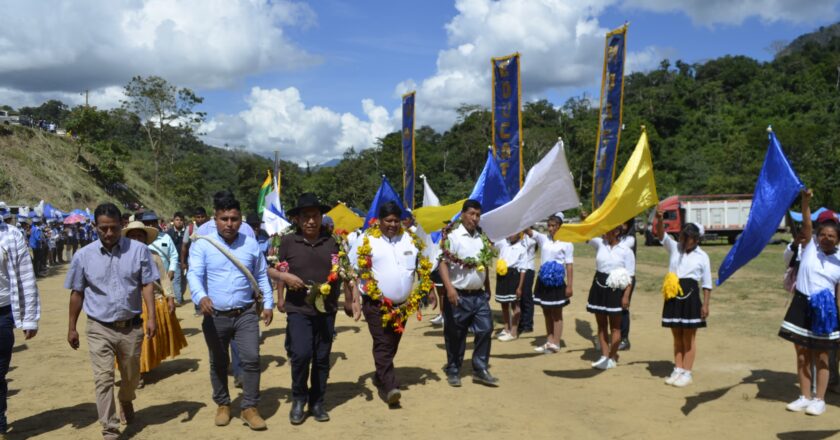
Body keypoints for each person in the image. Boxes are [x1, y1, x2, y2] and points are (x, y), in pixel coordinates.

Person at [65, 203, 158, 440]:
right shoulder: (83, 256)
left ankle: (126, 399)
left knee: (131, 377)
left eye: (114, 228)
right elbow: (77, 293)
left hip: (131, 326)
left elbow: (147, 284)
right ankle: (110, 429)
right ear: (95, 226)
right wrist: (71, 327)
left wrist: (152, 317)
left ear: (122, 226)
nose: (108, 234)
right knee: (103, 378)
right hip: (99, 327)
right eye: (103, 228)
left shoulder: (138, 251)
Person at [187, 191, 273, 431]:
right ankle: (223, 404)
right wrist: (200, 296)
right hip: (214, 315)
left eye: (234, 219)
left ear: (240, 220)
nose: (229, 224)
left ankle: (249, 407)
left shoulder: (251, 244)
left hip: (245, 313)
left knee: (252, 359)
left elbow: (261, 275)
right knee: (218, 361)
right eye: (224, 219)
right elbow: (194, 274)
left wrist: (268, 304)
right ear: (215, 219)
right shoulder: (203, 245)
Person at [268, 193, 352, 425]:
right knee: (301, 355)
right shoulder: (286, 241)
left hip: (327, 309)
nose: (311, 221)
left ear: (321, 216)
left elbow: (346, 270)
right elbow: (270, 269)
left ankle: (317, 401)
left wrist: (351, 299)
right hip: (298, 309)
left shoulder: (334, 241)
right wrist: (285, 277)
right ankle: (298, 398)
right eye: (306, 217)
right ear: (297, 219)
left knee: (322, 357)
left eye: (315, 216)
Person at [350, 201, 435, 406]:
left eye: (396, 220)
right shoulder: (367, 239)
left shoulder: (411, 240)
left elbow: (421, 267)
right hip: (375, 303)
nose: (392, 224)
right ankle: (389, 387)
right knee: (383, 343)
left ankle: (381, 375)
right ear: (379, 221)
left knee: (393, 342)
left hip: (403, 306)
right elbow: (353, 270)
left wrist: (429, 290)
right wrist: (354, 299)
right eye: (388, 220)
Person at [778, 190, 840, 416]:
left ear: (838, 238)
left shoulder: (839, 261)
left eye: (831, 236)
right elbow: (806, 221)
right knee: (802, 353)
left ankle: (819, 399)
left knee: (822, 356)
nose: (826, 238)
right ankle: (804, 396)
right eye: (823, 234)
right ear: (817, 235)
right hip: (802, 304)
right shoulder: (810, 247)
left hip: (826, 310)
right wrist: (805, 201)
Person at [439, 199, 498, 387]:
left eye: (478, 215)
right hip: (459, 295)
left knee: (486, 329)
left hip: (479, 295)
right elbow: (443, 263)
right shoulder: (453, 237)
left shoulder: (482, 238)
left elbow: (484, 263)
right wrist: (449, 288)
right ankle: (454, 369)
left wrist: (487, 285)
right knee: (456, 334)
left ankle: (480, 369)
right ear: (463, 214)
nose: (475, 218)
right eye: (471, 214)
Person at [122, 221, 188, 388]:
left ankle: (143, 369)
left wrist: (170, 297)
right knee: (132, 340)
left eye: (139, 235)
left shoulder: (154, 256)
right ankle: (137, 371)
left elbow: (164, 278)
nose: (136, 239)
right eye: (133, 236)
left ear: (145, 238)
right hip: (131, 303)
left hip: (154, 300)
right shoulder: (120, 256)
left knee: (147, 339)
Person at [653, 208, 712, 387]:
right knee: (677, 335)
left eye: (688, 238)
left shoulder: (703, 256)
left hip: (691, 296)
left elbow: (707, 283)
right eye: (682, 237)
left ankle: (687, 372)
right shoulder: (674, 248)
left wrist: (706, 305)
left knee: (689, 337)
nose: (684, 241)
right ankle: (677, 369)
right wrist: (659, 219)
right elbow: (661, 235)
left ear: (696, 239)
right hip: (673, 293)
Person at [0, 216, 40, 438]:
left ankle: (0, 424)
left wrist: (30, 318)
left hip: (2, 314)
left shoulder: (12, 235)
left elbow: (26, 277)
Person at [586, 225, 635, 370]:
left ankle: (612, 357)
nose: (604, 232)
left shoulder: (626, 251)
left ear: (617, 232)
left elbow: (630, 276)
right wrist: (587, 219)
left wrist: (626, 296)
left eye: (607, 230)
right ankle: (604, 355)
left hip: (615, 289)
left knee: (615, 327)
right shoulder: (600, 243)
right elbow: (586, 234)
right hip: (599, 286)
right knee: (601, 325)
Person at [528, 214, 574, 353]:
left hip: (557, 282)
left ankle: (556, 342)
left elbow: (569, 265)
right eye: (549, 225)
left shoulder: (567, 243)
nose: (550, 228)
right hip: (543, 280)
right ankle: (549, 341)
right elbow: (528, 231)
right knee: (546, 311)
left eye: (554, 226)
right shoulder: (543, 239)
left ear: (560, 226)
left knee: (557, 313)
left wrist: (570, 285)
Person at [493, 233, 527, 342]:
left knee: (515, 304)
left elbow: (523, 270)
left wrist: (520, 287)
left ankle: (514, 331)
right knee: (504, 303)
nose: (510, 235)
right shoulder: (503, 243)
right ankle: (506, 328)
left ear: (519, 234)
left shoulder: (522, 248)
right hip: (502, 275)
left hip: (513, 276)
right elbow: (492, 242)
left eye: (514, 233)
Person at [181, 207, 210, 315]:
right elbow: (184, 246)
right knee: (196, 282)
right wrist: (183, 262)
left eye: (202, 217)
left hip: (208, 260)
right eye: (198, 217)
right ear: (194, 218)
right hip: (194, 260)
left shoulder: (211, 227)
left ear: (206, 217)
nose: (200, 219)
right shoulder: (190, 229)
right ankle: (198, 307)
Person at [619, 218, 637, 350]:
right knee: (613, 309)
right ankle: (617, 336)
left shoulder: (630, 239)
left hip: (627, 279)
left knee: (623, 308)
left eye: (624, 223)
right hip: (614, 278)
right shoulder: (618, 237)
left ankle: (624, 339)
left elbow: (619, 248)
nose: (621, 225)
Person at [517, 231, 537, 334]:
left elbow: (523, 247)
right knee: (518, 298)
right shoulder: (520, 236)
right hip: (519, 269)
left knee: (526, 296)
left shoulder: (531, 239)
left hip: (528, 270)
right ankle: (520, 322)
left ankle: (528, 324)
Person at [166, 212, 188, 305]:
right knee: (176, 280)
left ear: (183, 221)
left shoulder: (187, 232)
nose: (179, 222)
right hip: (174, 261)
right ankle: (178, 300)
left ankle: (180, 296)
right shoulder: (168, 233)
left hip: (186, 261)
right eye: (177, 220)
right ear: (173, 221)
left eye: (181, 220)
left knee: (184, 281)